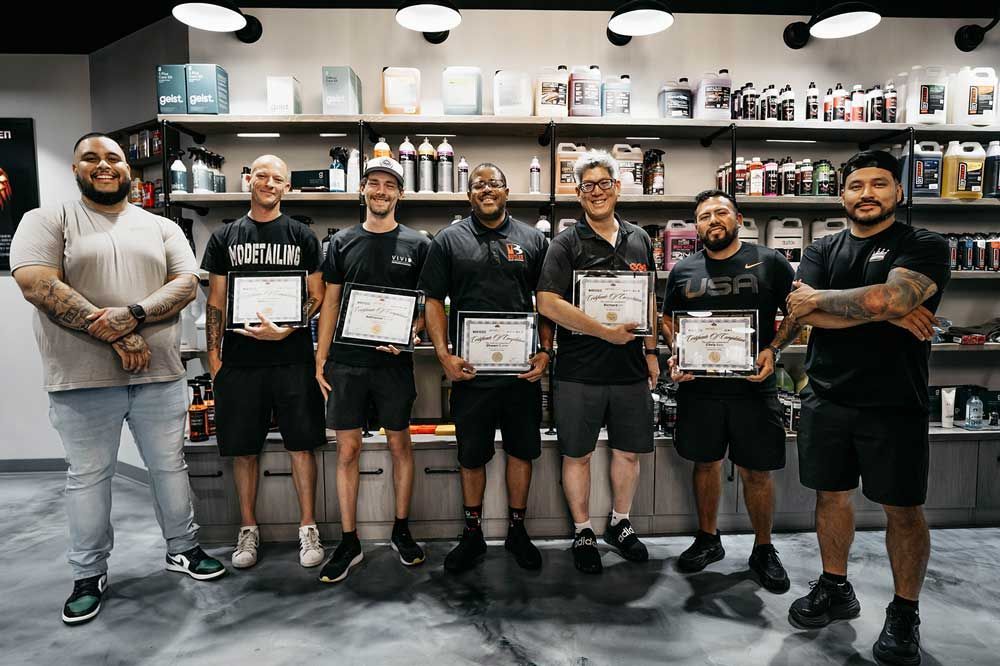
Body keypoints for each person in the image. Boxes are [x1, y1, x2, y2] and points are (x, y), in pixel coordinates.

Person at [10, 133, 226, 626]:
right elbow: (35, 282)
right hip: (81, 378)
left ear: (128, 169)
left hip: (159, 375)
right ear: (75, 168)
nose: (103, 165)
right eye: (91, 158)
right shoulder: (45, 220)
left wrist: (131, 315)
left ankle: (183, 548)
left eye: (113, 158)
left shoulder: (162, 225)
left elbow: (186, 283)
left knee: (169, 468)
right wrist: (107, 331)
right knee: (88, 478)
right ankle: (88, 574)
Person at [785, 151, 950, 665]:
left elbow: (890, 299)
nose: (867, 193)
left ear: (898, 193)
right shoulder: (821, 247)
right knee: (831, 496)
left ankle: (904, 613)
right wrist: (885, 311)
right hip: (827, 395)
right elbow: (806, 315)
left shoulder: (923, 243)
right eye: (856, 185)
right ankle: (835, 587)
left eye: (880, 184)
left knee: (902, 508)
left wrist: (875, 305)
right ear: (842, 196)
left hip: (893, 401)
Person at [418, 163, 552, 573]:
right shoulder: (448, 240)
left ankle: (517, 530)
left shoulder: (532, 240)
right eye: (479, 185)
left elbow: (546, 301)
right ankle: (472, 533)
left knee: (521, 451)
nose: (487, 190)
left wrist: (546, 351)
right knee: (471, 455)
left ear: (507, 191)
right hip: (471, 373)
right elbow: (433, 302)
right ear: (469, 194)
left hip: (520, 373)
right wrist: (444, 355)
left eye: (494, 183)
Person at [661, 189, 797, 592]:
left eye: (721, 212)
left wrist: (774, 349)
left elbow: (798, 313)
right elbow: (668, 320)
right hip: (700, 389)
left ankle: (763, 549)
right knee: (704, 464)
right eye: (704, 216)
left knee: (758, 471)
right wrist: (677, 353)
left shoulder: (770, 262)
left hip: (753, 388)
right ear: (696, 226)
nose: (712, 220)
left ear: (739, 218)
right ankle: (707, 539)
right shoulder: (683, 269)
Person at [202, 154, 327, 571]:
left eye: (277, 177)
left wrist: (288, 329)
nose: (269, 183)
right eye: (261, 175)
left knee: (301, 445)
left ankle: (308, 526)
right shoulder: (225, 237)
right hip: (239, 361)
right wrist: (215, 359)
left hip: (292, 358)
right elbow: (216, 301)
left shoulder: (302, 236)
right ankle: (248, 528)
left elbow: (318, 295)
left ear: (286, 187)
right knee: (243, 449)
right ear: (249, 180)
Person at [536, 149, 658, 575]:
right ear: (578, 193)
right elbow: (547, 302)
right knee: (578, 455)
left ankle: (620, 525)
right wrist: (603, 331)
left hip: (629, 372)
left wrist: (651, 351)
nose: (597, 192)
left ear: (617, 188)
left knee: (628, 454)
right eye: (588, 186)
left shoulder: (640, 238)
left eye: (604, 184)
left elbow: (650, 299)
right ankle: (583, 529)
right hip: (579, 371)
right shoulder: (564, 244)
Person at [314, 158, 430, 583]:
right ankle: (349, 540)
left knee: (401, 446)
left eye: (389, 185)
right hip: (347, 363)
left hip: (394, 363)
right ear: (362, 190)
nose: (381, 191)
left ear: (400, 193)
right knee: (347, 451)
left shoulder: (419, 244)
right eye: (374, 184)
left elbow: (428, 306)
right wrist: (320, 357)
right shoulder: (341, 242)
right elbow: (330, 302)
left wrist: (411, 334)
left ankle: (401, 529)